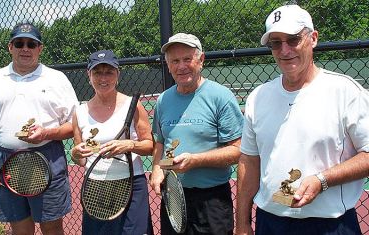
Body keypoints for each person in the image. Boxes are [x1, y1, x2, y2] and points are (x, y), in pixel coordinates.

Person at [236, 5, 369, 235]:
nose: (284, 50)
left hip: (330, 225)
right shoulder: (258, 97)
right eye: (276, 43)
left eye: (293, 39)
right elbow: (249, 161)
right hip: (270, 223)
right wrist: (242, 223)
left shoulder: (345, 91)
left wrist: (322, 180)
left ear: (313, 38)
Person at [0, 23, 78, 234]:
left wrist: (46, 133)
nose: (25, 48)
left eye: (31, 43)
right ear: (11, 47)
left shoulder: (57, 79)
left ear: (40, 48)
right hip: (6, 162)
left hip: (48, 159)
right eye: (19, 43)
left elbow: (75, 125)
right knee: (19, 229)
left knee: (52, 227)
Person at [149, 33, 244, 235]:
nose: (181, 66)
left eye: (187, 59)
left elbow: (238, 151)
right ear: (168, 65)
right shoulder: (163, 100)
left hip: (211, 202)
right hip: (173, 197)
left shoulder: (221, 97)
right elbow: (160, 142)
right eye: (175, 61)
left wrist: (196, 160)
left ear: (201, 60)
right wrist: (156, 169)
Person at [71, 50, 154, 235]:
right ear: (89, 74)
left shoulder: (133, 105)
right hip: (96, 187)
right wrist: (75, 153)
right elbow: (80, 158)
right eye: (97, 72)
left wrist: (130, 145)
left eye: (109, 72)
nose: (103, 78)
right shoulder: (80, 112)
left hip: (132, 184)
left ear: (118, 74)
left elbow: (150, 145)